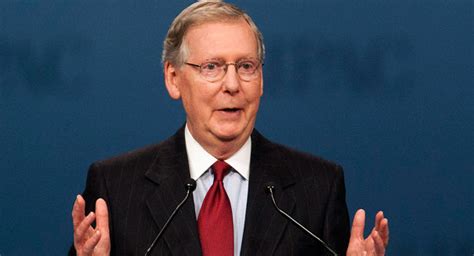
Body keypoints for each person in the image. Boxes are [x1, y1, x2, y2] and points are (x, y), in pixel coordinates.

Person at [70, 1, 389, 255]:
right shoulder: (115, 186)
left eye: (246, 66)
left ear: (261, 79)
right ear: (173, 78)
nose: (233, 84)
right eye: (212, 67)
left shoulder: (318, 188)